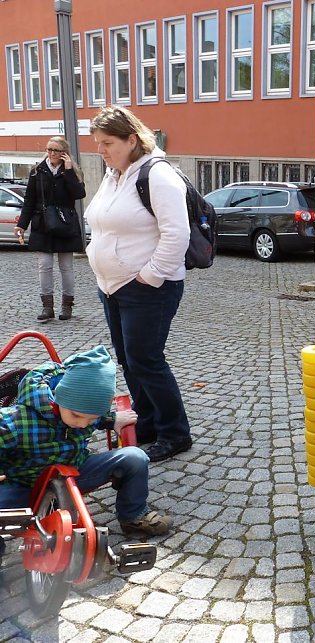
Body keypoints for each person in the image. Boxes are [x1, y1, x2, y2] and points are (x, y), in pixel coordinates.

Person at [85, 106, 193, 463]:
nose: (101, 150)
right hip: (112, 285)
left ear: (132, 139)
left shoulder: (158, 174)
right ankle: (147, 421)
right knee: (129, 360)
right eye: (97, 143)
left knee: (146, 359)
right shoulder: (114, 174)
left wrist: (150, 276)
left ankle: (175, 432)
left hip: (147, 287)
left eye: (108, 143)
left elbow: (177, 233)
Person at [0, 346, 172, 565]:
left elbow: (92, 414)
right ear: (59, 398)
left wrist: (111, 420)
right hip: (25, 485)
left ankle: (133, 514)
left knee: (135, 458)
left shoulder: (84, 412)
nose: (82, 424)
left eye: (91, 420)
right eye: (77, 416)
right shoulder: (18, 420)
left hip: (75, 472)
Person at [14, 136, 86, 322]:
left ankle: (67, 306)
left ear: (64, 152)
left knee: (66, 267)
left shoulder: (73, 171)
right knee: (44, 266)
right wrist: (21, 224)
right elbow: (29, 200)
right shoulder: (37, 171)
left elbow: (79, 194)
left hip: (64, 223)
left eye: (56, 150)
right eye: (49, 149)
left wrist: (68, 171)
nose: (52, 153)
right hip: (42, 224)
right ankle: (47, 307)